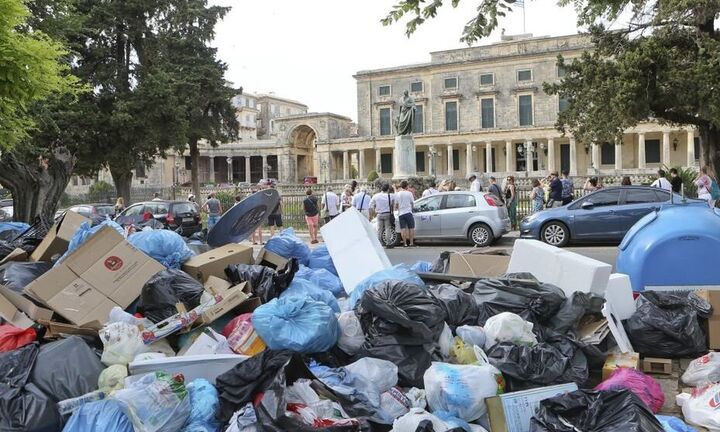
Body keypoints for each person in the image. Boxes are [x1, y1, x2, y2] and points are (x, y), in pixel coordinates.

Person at [370, 183, 395, 248]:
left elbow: (371, 205)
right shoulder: (390, 196)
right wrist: (394, 188)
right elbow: (396, 197)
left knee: (379, 229)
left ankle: (379, 242)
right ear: (388, 189)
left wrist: (374, 211)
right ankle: (388, 243)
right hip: (387, 213)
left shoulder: (376, 195)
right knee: (387, 228)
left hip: (379, 214)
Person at [395, 180, 416, 247]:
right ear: (407, 186)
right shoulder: (409, 193)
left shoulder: (397, 194)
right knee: (411, 228)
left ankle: (405, 243)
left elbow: (396, 205)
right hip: (408, 212)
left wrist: (398, 209)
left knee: (402, 229)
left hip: (401, 213)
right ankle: (411, 243)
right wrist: (412, 210)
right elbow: (412, 203)